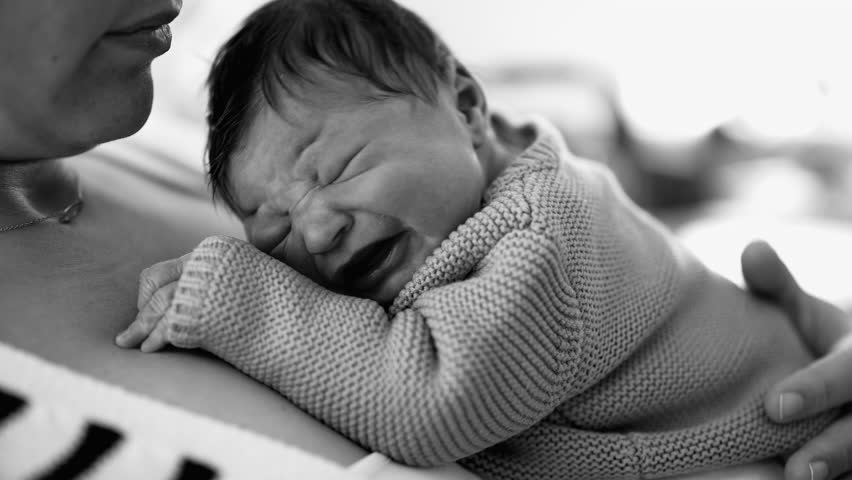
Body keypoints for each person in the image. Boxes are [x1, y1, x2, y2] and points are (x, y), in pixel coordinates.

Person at [0, 0, 848, 479]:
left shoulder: (538, 238)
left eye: (341, 169)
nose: (315, 227)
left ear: (472, 110)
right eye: (270, 226)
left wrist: (244, 299)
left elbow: (437, 401)